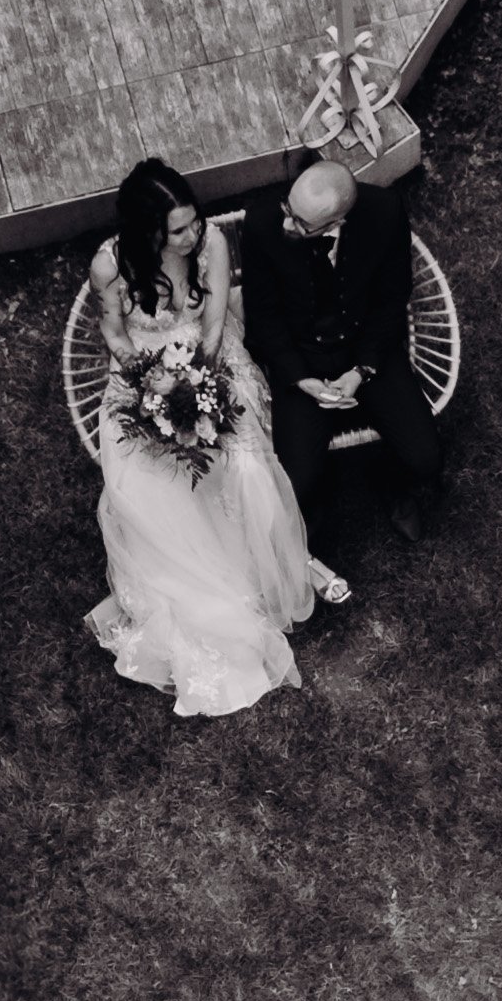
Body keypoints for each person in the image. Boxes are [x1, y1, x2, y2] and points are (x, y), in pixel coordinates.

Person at [84, 159, 333, 719]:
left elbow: (217, 323)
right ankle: (204, 593)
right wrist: (155, 390)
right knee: (157, 485)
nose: (192, 234)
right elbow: (115, 336)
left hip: (213, 368)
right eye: (178, 229)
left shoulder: (213, 246)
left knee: (243, 469)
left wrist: (197, 381)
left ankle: (270, 568)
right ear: (146, 231)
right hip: (142, 381)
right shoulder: (110, 267)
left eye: (194, 221)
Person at [238, 152, 445, 546]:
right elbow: (264, 315)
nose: (287, 222)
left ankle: (390, 483)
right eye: (289, 208)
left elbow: (392, 299)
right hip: (301, 355)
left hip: (365, 349)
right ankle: (318, 504)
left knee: (426, 459)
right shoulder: (263, 223)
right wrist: (300, 377)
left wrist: (362, 370)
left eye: (300, 224)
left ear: (337, 222)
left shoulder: (385, 213)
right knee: (297, 482)